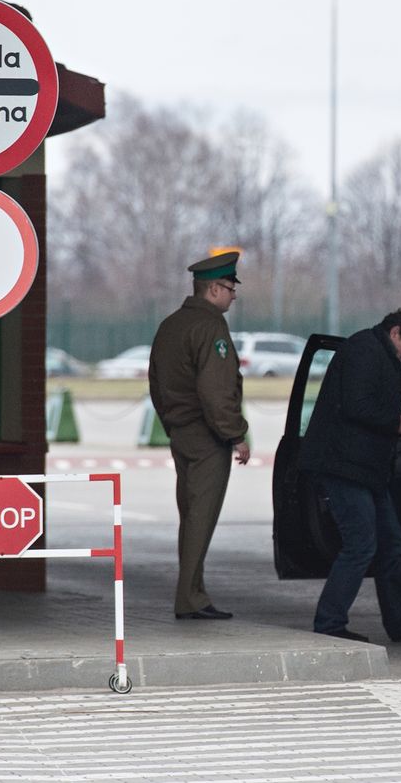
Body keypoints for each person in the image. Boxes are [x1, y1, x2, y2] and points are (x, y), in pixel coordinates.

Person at [298, 308, 401, 643]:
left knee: (391, 546)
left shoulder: (380, 356)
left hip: (368, 470)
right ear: (395, 333)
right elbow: (357, 405)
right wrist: (399, 422)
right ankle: (329, 623)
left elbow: (377, 403)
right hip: (344, 467)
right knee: (361, 545)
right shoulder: (363, 351)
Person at [149, 251, 251, 620]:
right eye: (230, 288)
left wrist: (172, 424)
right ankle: (190, 599)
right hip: (206, 436)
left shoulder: (171, 325)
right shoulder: (210, 327)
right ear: (213, 289)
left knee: (191, 514)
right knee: (200, 518)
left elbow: (156, 383)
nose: (234, 296)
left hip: (181, 432)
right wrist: (236, 434)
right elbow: (215, 390)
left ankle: (195, 593)